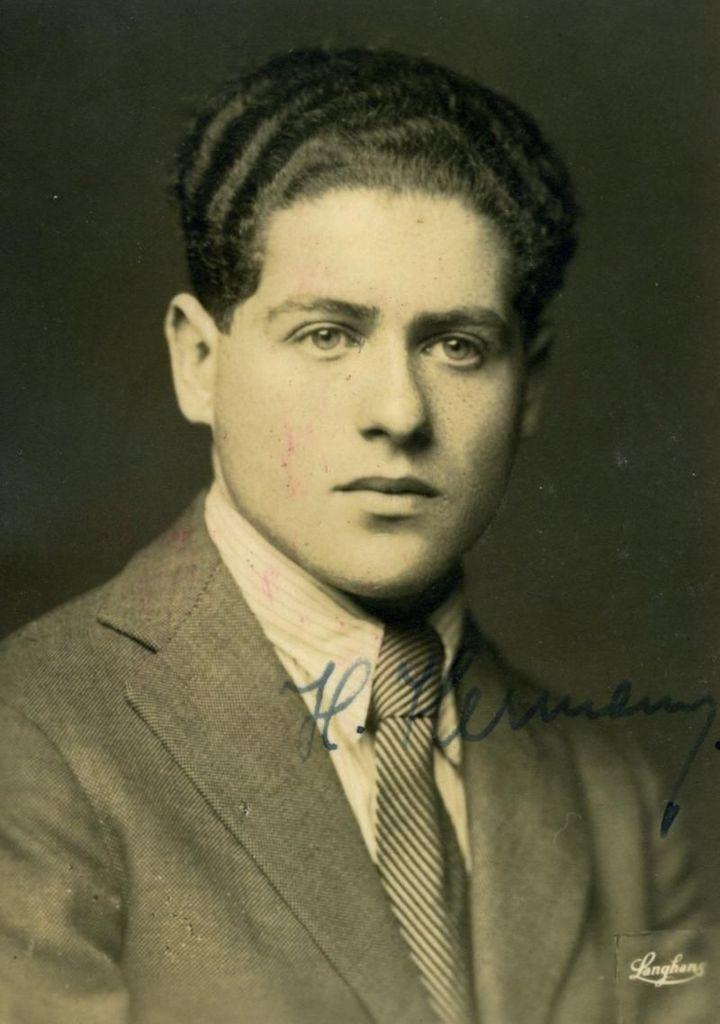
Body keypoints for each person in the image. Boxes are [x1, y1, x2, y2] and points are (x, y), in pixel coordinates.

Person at [0, 48, 710, 1024]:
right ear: (199, 361)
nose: (397, 411)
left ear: (529, 387)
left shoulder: (620, 800)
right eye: (328, 334)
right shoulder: (33, 743)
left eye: (457, 345)